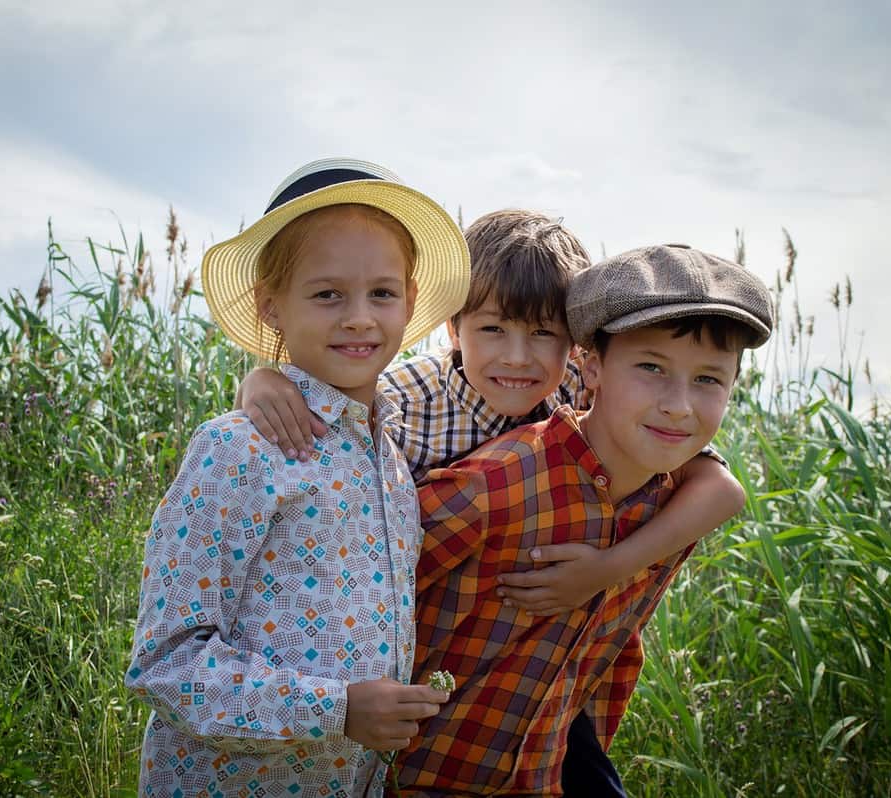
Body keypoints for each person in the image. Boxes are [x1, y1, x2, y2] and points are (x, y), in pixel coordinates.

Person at [124, 158, 468, 798]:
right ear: (272, 306)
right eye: (327, 293)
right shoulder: (241, 449)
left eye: (382, 293)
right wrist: (336, 709)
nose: (360, 317)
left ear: (411, 301)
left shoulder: (390, 461)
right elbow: (168, 665)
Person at [397, 243, 774, 795]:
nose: (679, 405)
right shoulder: (490, 488)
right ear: (590, 367)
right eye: (651, 368)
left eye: (709, 380)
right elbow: (353, 608)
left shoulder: (668, 504)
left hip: (547, 771)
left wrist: (610, 567)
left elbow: (726, 492)